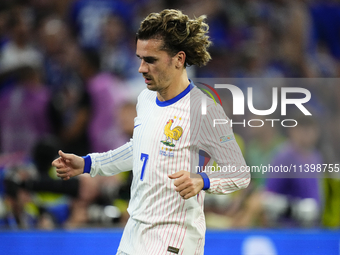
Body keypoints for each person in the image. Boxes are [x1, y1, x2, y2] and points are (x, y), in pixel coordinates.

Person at [52, 9, 250, 255]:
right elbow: (140, 148)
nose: (141, 68)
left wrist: (203, 180)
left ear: (178, 59)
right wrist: (89, 163)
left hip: (173, 239)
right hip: (134, 233)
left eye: (151, 60)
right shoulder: (145, 99)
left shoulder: (205, 110)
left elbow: (240, 173)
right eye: (140, 58)